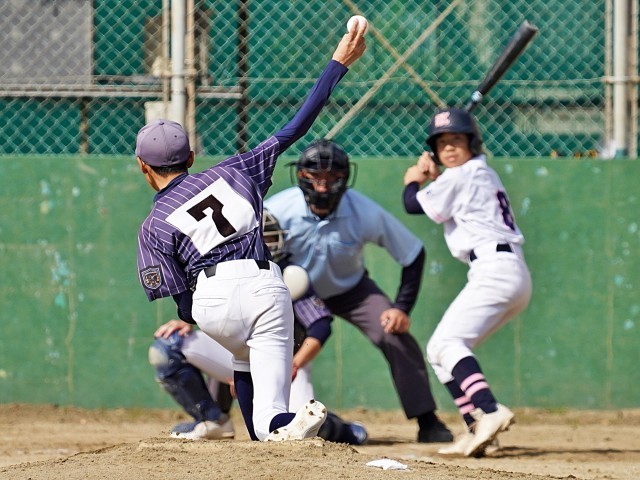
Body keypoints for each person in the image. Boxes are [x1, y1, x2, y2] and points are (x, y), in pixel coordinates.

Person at [134, 24, 366, 442]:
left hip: (210, 301)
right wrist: (338, 64)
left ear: (142, 167)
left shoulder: (153, 226)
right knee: (273, 407)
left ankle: (262, 438)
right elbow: (296, 126)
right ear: (190, 156)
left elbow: (183, 306)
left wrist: (197, 316)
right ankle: (284, 422)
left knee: (240, 358)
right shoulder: (237, 169)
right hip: (262, 285)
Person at [264, 139, 453, 443]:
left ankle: (428, 420)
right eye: (315, 177)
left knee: (394, 333)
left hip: (351, 289)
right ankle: (215, 415)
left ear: (344, 178)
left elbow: (412, 253)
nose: (322, 187)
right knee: (246, 333)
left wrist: (401, 308)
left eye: (331, 178)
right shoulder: (277, 209)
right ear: (300, 175)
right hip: (294, 296)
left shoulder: (362, 210)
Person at [148, 209, 368, 444]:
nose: (263, 241)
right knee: (167, 348)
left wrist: (295, 363)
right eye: (254, 235)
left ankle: (341, 430)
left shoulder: (286, 271)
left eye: (268, 236)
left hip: (286, 361)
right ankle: (212, 420)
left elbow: (320, 326)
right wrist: (186, 319)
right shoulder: (215, 267)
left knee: (301, 424)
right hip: (238, 351)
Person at [402, 107, 532, 457]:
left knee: (449, 342)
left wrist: (414, 178)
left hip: (495, 268)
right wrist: (434, 177)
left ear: (472, 143)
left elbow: (413, 205)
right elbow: (445, 204)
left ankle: (490, 410)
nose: (449, 148)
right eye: (442, 143)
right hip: (505, 269)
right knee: (438, 350)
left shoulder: (462, 174)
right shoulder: (477, 173)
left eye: (457, 140)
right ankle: (477, 426)